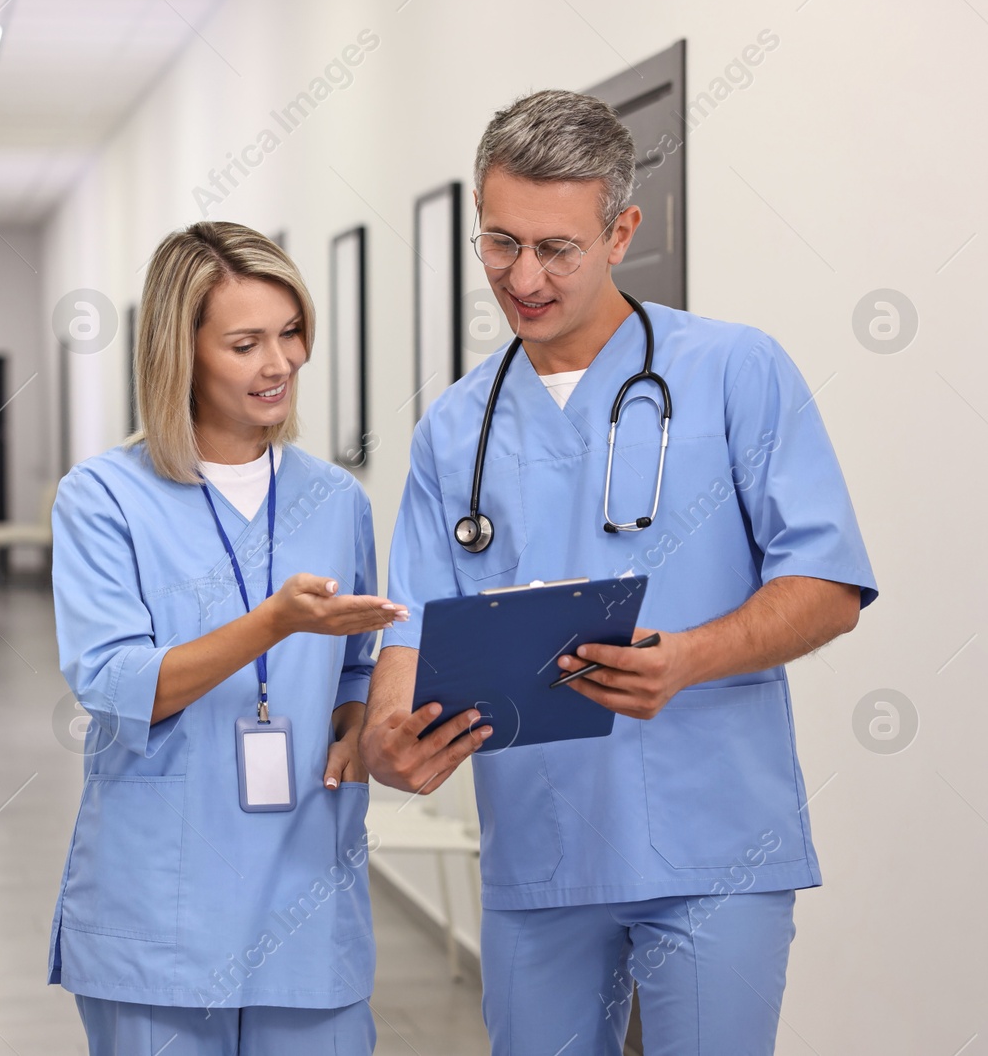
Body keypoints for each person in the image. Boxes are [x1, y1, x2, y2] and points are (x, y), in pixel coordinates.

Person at [360, 90, 878, 1055]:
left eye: (556, 248)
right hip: (541, 849)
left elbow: (830, 586)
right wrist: (393, 738)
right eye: (499, 243)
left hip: (715, 838)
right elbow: (417, 629)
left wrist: (688, 655)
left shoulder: (735, 371)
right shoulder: (455, 428)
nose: (523, 277)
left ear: (622, 230)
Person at [48, 223, 401, 1056]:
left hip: (305, 883)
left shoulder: (335, 499)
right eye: (245, 343)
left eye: (290, 332)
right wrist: (271, 622)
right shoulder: (103, 498)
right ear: (182, 354)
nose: (278, 362)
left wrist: (355, 722)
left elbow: (354, 665)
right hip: (161, 907)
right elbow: (116, 679)